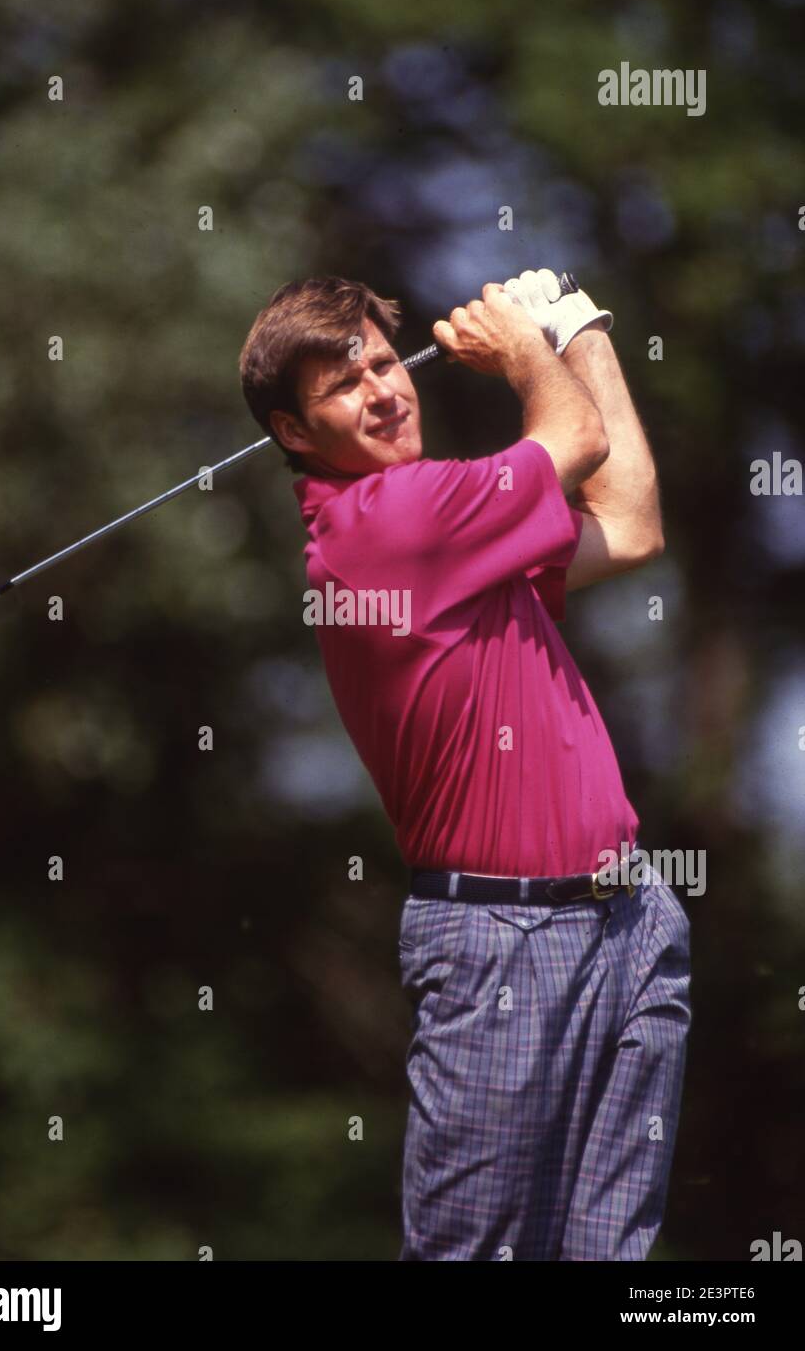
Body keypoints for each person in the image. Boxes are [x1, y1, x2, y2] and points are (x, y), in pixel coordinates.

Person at [238, 270, 692, 1261]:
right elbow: (572, 442)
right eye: (344, 385)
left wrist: (582, 327)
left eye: (384, 360)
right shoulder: (382, 526)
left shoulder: (459, 528)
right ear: (292, 432)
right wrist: (526, 349)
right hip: (502, 942)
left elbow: (632, 522)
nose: (385, 388)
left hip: (627, 916)